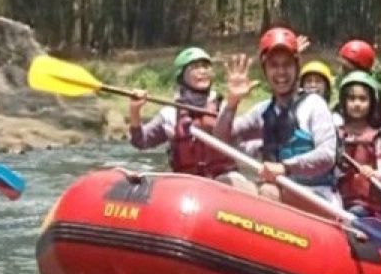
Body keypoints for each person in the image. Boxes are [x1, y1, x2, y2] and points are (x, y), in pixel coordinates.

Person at [215, 27, 338, 204]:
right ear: (265, 70)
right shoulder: (263, 110)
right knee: (226, 182)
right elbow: (221, 139)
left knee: (268, 191)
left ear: (297, 67)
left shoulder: (314, 105)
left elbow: (326, 156)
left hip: (317, 195)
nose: (281, 72)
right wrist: (232, 104)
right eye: (274, 65)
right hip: (278, 192)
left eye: (287, 64)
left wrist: (285, 168)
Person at [129, 47, 256, 193]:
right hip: (187, 184)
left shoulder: (225, 107)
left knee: (241, 186)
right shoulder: (170, 114)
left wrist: (233, 102)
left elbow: (231, 135)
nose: (202, 71)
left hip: (223, 180)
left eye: (205, 66)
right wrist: (135, 111)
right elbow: (140, 141)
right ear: (181, 75)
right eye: (195, 67)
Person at [334, 71, 381, 216]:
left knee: (355, 212)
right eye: (351, 98)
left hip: (366, 206)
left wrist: (373, 173)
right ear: (343, 101)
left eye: (362, 99)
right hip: (336, 200)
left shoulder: (377, 137)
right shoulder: (336, 134)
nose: (357, 104)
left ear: (371, 102)